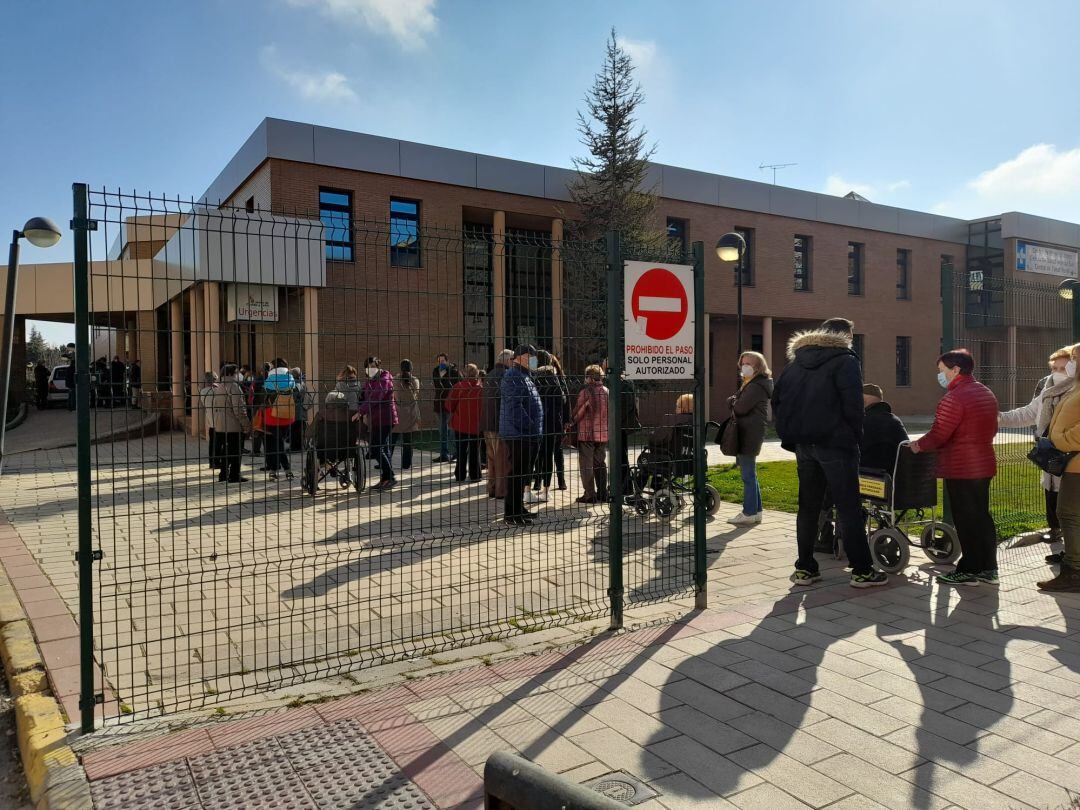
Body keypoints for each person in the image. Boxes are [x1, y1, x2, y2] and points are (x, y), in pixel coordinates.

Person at [772, 317, 886, 588]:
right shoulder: (846, 361)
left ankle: (805, 568)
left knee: (808, 507)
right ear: (846, 335)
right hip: (836, 444)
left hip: (804, 446)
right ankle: (862, 570)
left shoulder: (795, 363)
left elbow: (777, 400)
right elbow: (853, 405)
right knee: (848, 506)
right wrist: (853, 438)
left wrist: (791, 433)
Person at [911, 349, 999, 586]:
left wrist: (918, 445)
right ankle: (989, 568)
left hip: (961, 467)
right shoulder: (985, 392)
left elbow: (939, 434)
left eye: (942, 371)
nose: (941, 376)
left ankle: (968, 570)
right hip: (983, 463)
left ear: (956, 370)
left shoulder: (954, 397)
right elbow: (993, 428)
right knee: (981, 517)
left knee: (965, 519)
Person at [999, 347, 1073, 562]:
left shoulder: (1075, 389)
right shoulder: (1047, 388)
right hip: (1049, 454)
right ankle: (1064, 544)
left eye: (1063, 368)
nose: (1058, 372)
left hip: (1070, 453)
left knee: (1069, 505)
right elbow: (1030, 412)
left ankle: (1072, 555)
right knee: (1053, 495)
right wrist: (1000, 418)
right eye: (1055, 367)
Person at [1039, 343, 1080, 591]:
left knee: (1069, 515)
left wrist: (1061, 439)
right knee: (1070, 515)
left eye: (1076, 358)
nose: (1072, 362)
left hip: (1077, 463)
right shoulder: (1075, 386)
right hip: (1073, 462)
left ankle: (1074, 571)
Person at [727, 351, 774, 527]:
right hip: (750, 431)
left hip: (749, 433)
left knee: (747, 474)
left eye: (749, 363)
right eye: (743, 363)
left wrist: (732, 401)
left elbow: (740, 408)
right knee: (750, 474)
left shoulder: (755, 386)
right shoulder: (753, 383)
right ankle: (756, 512)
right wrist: (735, 400)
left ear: (758, 366)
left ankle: (748, 512)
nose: (744, 366)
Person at [500, 346, 543, 525]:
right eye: (532, 357)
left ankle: (519, 508)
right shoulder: (513, 376)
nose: (535, 360)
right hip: (519, 434)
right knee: (517, 473)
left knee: (523, 473)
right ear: (523, 357)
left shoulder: (525, 375)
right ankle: (512, 514)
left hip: (527, 434)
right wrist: (529, 425)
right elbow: (514, 407)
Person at [530, 350, 568, 503]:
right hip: (553, 421)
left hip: (539, 422)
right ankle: (545, 485)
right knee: (550, 454)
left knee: (543, 454)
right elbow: (563, 399)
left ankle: (551, 482)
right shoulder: (552, 376)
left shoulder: (535, 377)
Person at [358, 357, 398, 491]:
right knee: (384, 449)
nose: (371, 369)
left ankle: (390, 477)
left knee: (375, 449)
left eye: (373, 366)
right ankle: (386, 478)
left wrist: (360, 411)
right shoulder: (369, 380)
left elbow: (376, 396)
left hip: (386, 418)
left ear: (378, 366)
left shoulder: (384, 378)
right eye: (368, 367)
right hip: (375, 419)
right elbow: (365, 396)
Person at [574, 364, 609, 505]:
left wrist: (571, 420)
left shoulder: (586, 392)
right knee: (600, 463)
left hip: (587, 434)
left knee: (586, 465)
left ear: (589, 377)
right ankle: (603, 493)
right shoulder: (607, 391)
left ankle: (589, 495)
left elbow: (578, 413)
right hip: (603, 433)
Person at [211, 364, 251, 483]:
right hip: (233, 425)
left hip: (220, 425)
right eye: (236, 372)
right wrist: (246, 425)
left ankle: (223, 474)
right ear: (230, 374)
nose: (238, 375)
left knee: (225, 451)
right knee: (236, 451)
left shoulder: (219, 386)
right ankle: (234, 475)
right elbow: (239, 409)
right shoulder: (234, 387)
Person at [483, 350, 513, 500]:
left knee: (491, 460)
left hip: (487, 422)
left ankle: (492, 488)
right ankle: (502, 491)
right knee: (502, 460)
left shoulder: (489, 375)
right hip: (500, 423)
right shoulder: (507, 375)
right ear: (508, 361)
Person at [446, 364, 483, 482]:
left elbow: (449, 405)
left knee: (461, 449)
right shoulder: (481, 388)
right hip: (476, 424)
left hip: (460, 422)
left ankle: (460, 474)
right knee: (474, 450)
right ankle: (475, 474)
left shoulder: (459, 386)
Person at [860, 383, 910, 472]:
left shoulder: (860, 422)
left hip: (864, 478)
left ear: (862, 401)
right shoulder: (895, 421)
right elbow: (906, 449)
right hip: (893, 479)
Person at [262, 365, 296, 481]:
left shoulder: (269, 382)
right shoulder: (291, 381)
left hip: (271, 418)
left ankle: (277, 470)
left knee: (273, 445)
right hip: (287, 417)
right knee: (279, 443)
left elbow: (261, 399)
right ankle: (284, 470)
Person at [392, 359, 421, 471]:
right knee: (408, 441)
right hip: (411, 412)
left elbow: (393, 394)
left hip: (398, 412)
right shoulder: (415, 381)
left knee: (392, 440)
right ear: (411, 368)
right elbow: (416, 395)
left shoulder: (394, 380)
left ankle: (386, 461)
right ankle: (406, 464)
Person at [432, 353, 461, 462]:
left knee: (452, 430)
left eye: (443, 361)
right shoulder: (435, 371)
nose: (441, 363)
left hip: (451, 405)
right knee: (442, 431)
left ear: (447, 361)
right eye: (439, 361)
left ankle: (455, 453)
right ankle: (443, 454)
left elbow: (459, 385)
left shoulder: (454, 371)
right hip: (439, 404)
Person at [549, 355, 570, 491]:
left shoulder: (559, 380)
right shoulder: (561, 380)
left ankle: (559, 481)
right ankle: (560, 482)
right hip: (558, 420)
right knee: (557, 452)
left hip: (555, 420)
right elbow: (567, 401)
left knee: (552, 452)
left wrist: (567, 420)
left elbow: (566, 401)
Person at [198, 372, 220, 471]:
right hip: (219, 421)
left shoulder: (203, 391)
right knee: (219, 443)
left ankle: (212, 462)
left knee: (212, 443)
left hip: (210, 420)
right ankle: (217, 462)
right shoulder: (217, 390)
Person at [289, 368, 312, 452]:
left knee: (294, 430)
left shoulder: (292, 384)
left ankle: (295, 447)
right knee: (301, 430)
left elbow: (293, 398)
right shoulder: (303, 384)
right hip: (302, 411)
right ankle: (300, 446)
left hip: (295, 411)